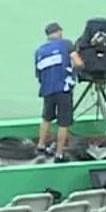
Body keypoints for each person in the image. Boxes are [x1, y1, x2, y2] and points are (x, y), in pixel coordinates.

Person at [34, 21, 82, 162]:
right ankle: (59, 154)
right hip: (63, 89)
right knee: (63, 123)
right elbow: (78, 62)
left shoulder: (39, 51)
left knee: (46, 117)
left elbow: (38, 74)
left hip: (47, 89)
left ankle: (41, 145)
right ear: (59, 32)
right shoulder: (66, 44)